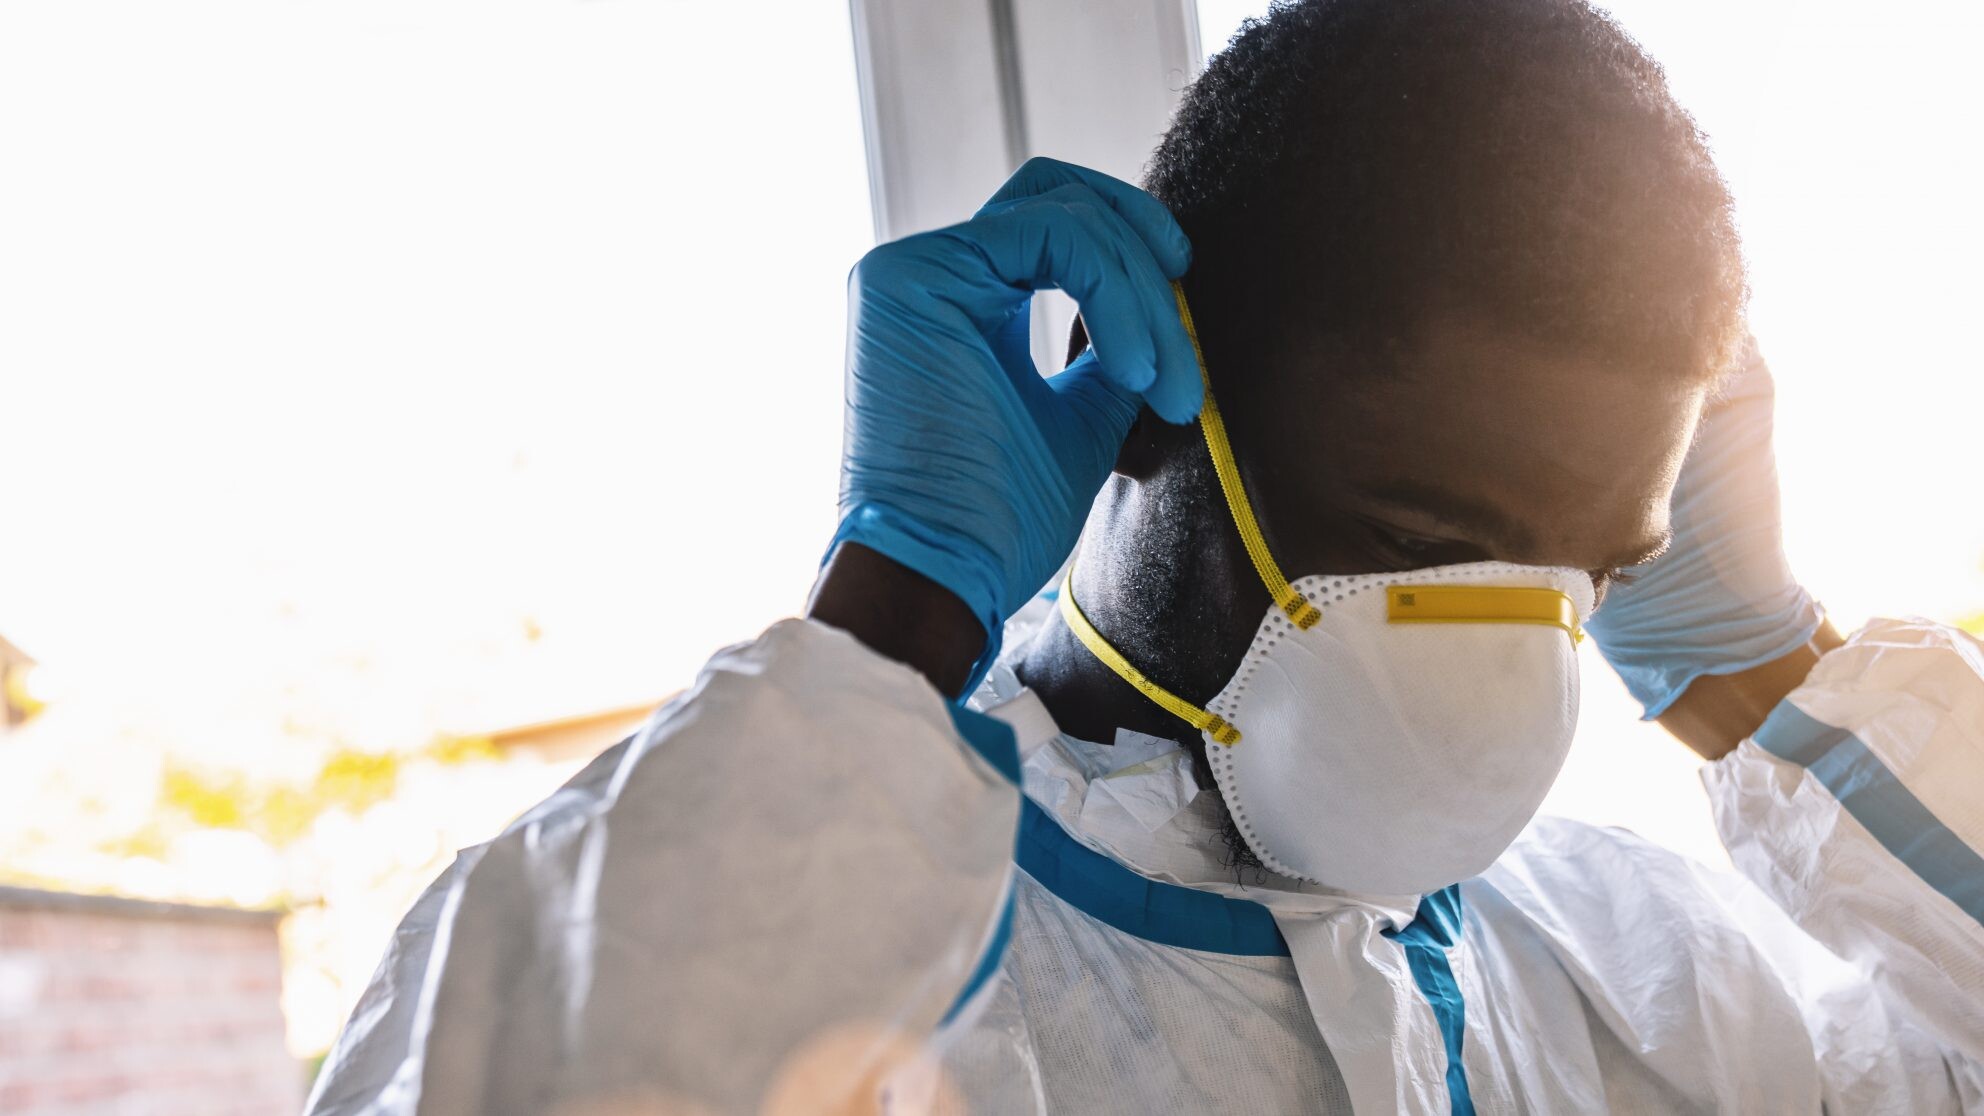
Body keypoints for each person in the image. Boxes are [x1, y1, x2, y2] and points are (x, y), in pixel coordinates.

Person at [305, 1, 1984, 1113]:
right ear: (1158, 399)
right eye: (1421, 541)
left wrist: (1766, 679)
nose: (1509, 665)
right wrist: (890, 621)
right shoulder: (819, 937)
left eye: (1592, 578)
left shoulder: (1651, 974)